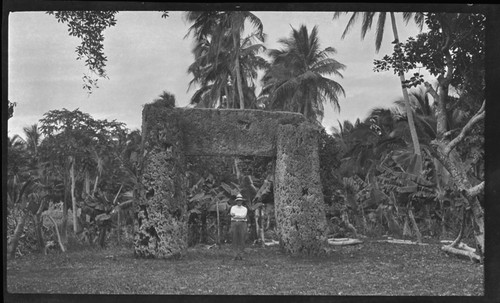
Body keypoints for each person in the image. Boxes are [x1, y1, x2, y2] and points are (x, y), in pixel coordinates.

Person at [230, 194, 248, 260]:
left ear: (242, 201)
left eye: (240, 201)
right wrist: (239, 216)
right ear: (236, 201)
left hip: (242, 223)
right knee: (234, 239)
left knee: (242, 239)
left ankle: (241, 255)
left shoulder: (244, 208)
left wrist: (236, 215)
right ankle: (235, 255)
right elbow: (232, 215)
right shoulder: (233, 208)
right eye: (238, 201)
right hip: (234, 223)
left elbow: (243, 216)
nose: (239, 202)